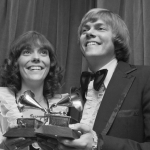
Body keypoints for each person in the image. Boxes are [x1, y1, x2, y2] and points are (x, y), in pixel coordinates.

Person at [56, 8, 150, 150]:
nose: (89, 33)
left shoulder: (145, 77)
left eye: (100, 28)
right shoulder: (75, 94)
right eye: (84, 30)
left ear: (117, 39)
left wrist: (96, 143)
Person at [0, 31, 69, 150]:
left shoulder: (61, 107)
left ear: (50, 63)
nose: (36, 58)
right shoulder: (2, 102)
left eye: (43, 52)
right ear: (16, 62)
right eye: (27, 52)